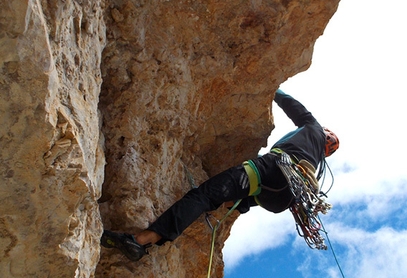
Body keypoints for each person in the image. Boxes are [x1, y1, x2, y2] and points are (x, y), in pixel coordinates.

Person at [101, 90, 339, 261]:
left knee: (204, 196)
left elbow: (294, 107)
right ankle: (235, 203)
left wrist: (273, 89)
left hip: (275, 169)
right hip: (281, 200)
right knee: (245, 193)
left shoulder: (314, 128)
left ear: (326, 134)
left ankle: (140, 241)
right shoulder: (315, 164)